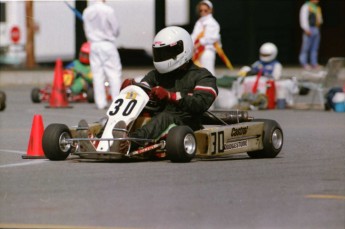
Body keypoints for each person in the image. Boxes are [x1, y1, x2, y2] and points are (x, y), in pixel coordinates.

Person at [121, 26, 218, 149]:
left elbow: (200, 103)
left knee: (165, 117)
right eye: (160, 53)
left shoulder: (202, 76)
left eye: (166, 53)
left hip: (186, 124)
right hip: (156, 122)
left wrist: (170, 96)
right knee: (135, 114)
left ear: (182, 49)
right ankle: (102, 137)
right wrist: (130, 90)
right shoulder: (156, 75)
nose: (162, 56)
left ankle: (132, 142)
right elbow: (144, 87)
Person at [83, 0, 122, 109]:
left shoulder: (87, 11)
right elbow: (116, 29)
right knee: (114, 74)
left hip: (94, 45)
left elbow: (86, 29)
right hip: (107, 44)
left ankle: (100, 102)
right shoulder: (108, 10)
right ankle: (117, 101)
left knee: (97, 74)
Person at [191, 0, 220, 76]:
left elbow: (211, 38)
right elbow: (194, 36)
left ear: (210, 10)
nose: (203, 12)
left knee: (208, 72)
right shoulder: (199, 22)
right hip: (197, 51)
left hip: (207, 51)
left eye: (205, 10)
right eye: (201, 10)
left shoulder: (213, 23)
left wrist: (197, 45)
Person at [299, 0, 323, 70]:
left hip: (316, 28)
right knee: (305, 47)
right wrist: (306, 28)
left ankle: (314, 63)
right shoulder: (306, 7)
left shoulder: (316, 7)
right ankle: (304, 63)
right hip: (309, 28)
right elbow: (303, 18)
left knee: (315, 48)